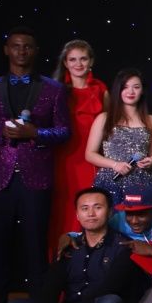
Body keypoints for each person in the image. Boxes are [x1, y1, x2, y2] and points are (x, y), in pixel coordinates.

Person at [0, 26, 72, 303]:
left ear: (35, 50)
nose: (21, 51)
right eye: (16, 46)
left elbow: (64, 131)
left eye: (27, 46)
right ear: (7, 50)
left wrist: (35, 133)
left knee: (35, 245)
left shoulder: (54, 89)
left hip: (36, 177)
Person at [1, 187, 148, 303]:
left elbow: (108, 288)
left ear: (109, 212)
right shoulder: (69, 246)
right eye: (85, 208)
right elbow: (50, 286)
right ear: (77, 215)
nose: (91, 214)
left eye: (97, 207)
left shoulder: (124, 247)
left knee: (111, 302)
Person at [49, 39, 107, 253]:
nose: (78, 64)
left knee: (92, 207)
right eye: (73, 59)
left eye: (83, 59)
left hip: (92, 158)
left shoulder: (101, 89)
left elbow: (111, 125)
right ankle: (62, 263)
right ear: (65, 63)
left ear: (91, 61)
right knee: (64, 210)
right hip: (64, 158)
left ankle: (90, 263)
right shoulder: (56, 90)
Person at [87, 69, 152, 207]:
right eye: (125, 87)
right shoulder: (104, 118)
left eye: (136, 87)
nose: (131, 91)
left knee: (143, 218)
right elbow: (90, 154)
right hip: (111, 180)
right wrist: (115, 165)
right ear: (118, 90)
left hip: (142, 181)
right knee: (112, 218)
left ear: (142, 91)